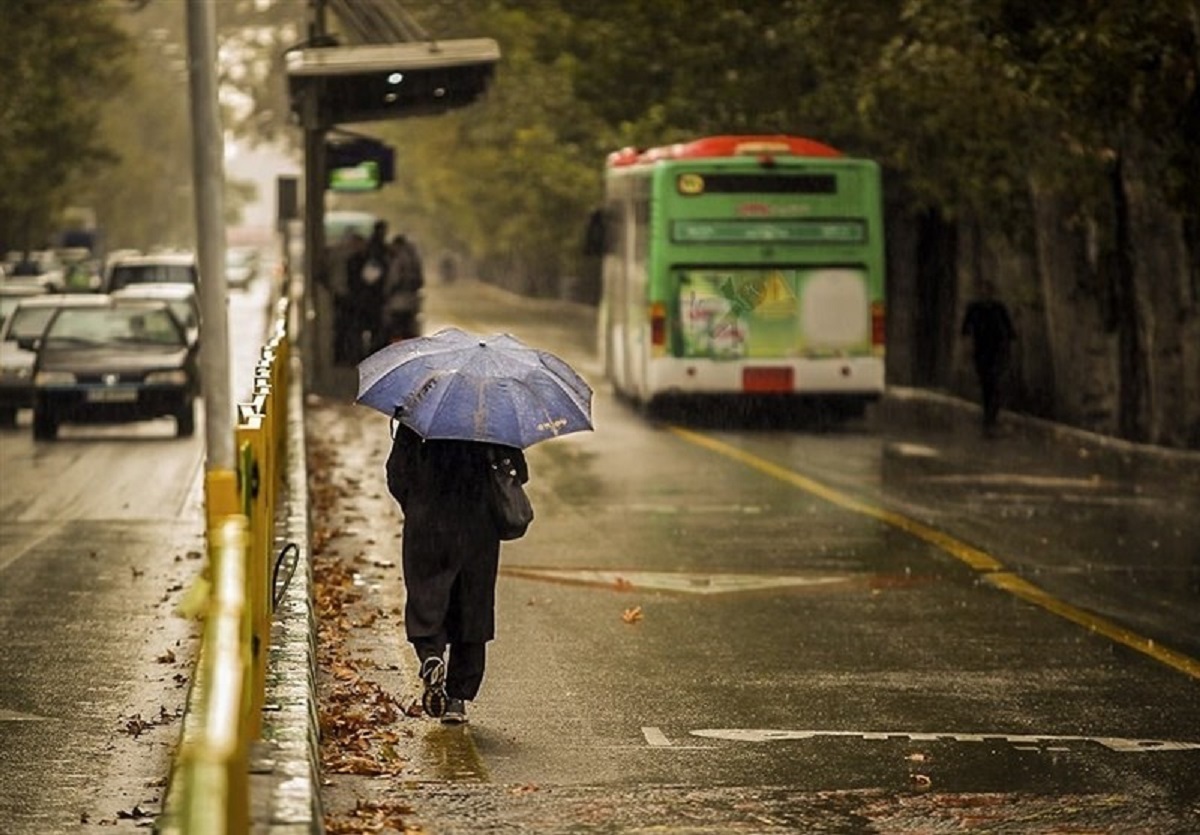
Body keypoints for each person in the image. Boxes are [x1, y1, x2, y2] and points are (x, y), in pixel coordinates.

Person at [385, 421, 529, 725]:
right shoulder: (495, 418)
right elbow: (517, 472)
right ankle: (456, 699)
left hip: (428, 519)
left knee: (427, 596)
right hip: (478, 525)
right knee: (472, 606)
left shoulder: (420, 416)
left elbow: (397, 473)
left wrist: (416, 505)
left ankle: (431, 656)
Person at [961, 281, 1016, 435]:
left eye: (988, 290)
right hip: (981, 350)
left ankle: (992, 415)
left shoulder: (999, 308)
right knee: (986, 382)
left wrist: (1008, 351)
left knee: (995, 382)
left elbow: (1010, 332)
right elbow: (965, 330)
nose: (985, 293)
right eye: (983, 290)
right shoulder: (974, 308)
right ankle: (987, 414)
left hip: (997, 351)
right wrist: (967, 350)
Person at [381, 234, 424, 342]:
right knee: (409, 329)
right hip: (412, 300)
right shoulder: (414, 259)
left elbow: (393, 279)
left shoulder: (398, 259)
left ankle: (397, 351)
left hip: (397, 301)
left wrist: (385, 293)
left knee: (396, 329)